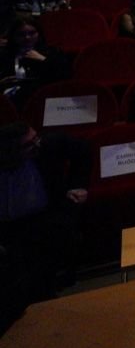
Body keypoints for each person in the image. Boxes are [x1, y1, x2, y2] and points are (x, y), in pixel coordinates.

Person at [0, 121, 90, 328]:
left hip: (43, 219)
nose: (37, 145)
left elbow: (83, 148)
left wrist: (78, 185)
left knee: (39, 276)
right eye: (29, 145)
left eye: (36, 139)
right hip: (7, 229)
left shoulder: (48, 146)